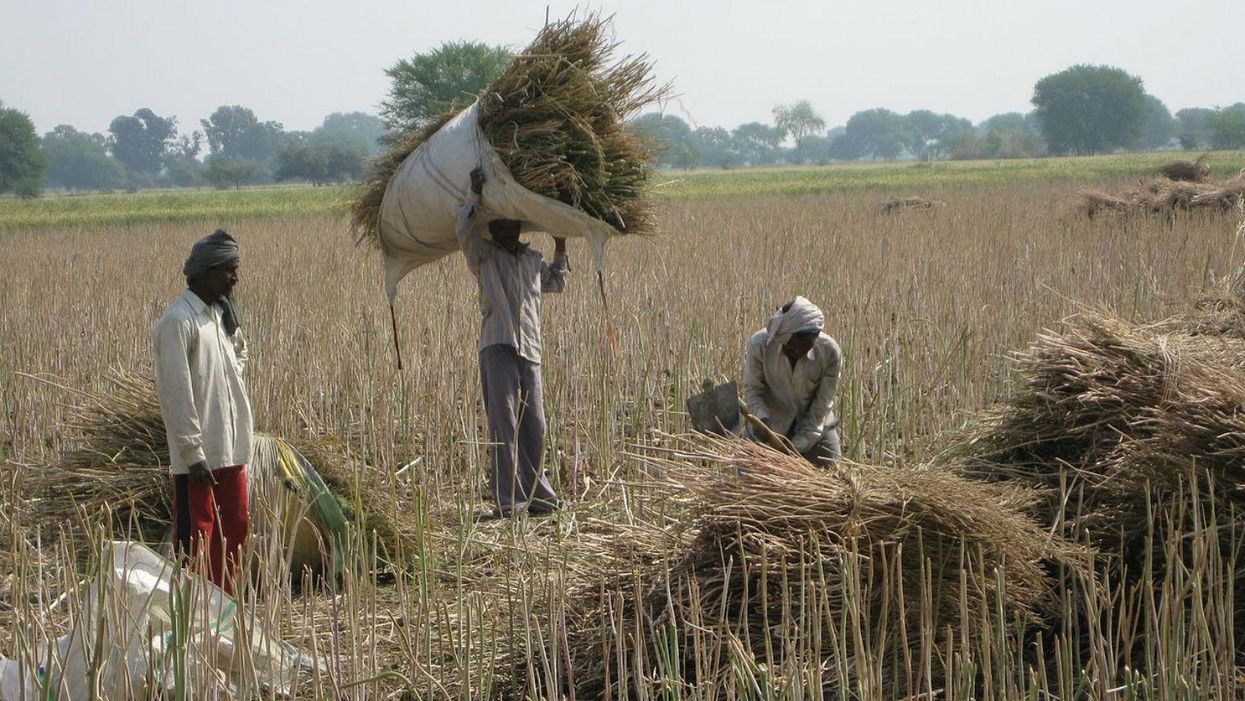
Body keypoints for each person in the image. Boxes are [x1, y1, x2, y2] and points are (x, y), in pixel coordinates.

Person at [456, 167, 569, 517]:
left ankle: (539, 495)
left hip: (530, 349)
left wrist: (561, 244)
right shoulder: (484, 256)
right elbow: (462, 229)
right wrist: (474, 194)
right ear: (492, 228)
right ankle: (509, 500)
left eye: (512, 224)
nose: (507, 229)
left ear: (519, 227)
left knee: (535, 423)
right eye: (500, 225)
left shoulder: (532, 261)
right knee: (503, 422)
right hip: (498, 345)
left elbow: (556, 284)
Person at [152, 229, 253, 594]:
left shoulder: (219, 317)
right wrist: (193, 454)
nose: (234, 278)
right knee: (198, 540)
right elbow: (176, 393)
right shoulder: (178, 322)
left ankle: (225, 615)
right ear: (204, 272)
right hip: (199, 461)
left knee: (235, 532)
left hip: (231, 448)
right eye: (229, 269)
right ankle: (196, 617)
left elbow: (239, 358)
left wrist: (233, 331)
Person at [743, 296, 843, 466]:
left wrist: (794, 447)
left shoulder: (829, 352)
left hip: (815, 431)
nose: (796, 350)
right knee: (747, 485)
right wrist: (762, 421)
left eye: (804, 344)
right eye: (792, 344)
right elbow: (753, 391)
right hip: (769, 430)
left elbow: (821, 405)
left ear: (816, 336)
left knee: (835, 479)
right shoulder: (760, 345)